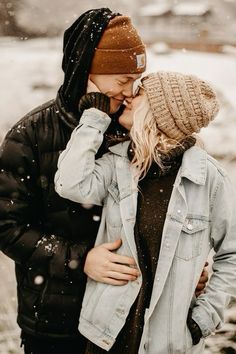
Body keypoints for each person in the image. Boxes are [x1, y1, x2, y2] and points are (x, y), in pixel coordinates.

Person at [0, 7, 207, 354]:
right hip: (56, 321)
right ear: (85, 72)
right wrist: (80, 261)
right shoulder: (30, 135)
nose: (130, 92)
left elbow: (171, 209)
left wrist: (188, 263)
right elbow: (6, 226)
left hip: (130, 321)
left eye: (136, 80)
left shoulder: (135, 131)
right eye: (122, 80)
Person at [55, 71, 236, 354]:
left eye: (139, 93)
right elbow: (70, 184)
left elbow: (232, 254)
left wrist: (206, 316)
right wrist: (94, 118)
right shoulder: (118, 163)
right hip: (108, 334)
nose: (128, 96)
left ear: (160, 113)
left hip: (170, 340)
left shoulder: (209, 180)